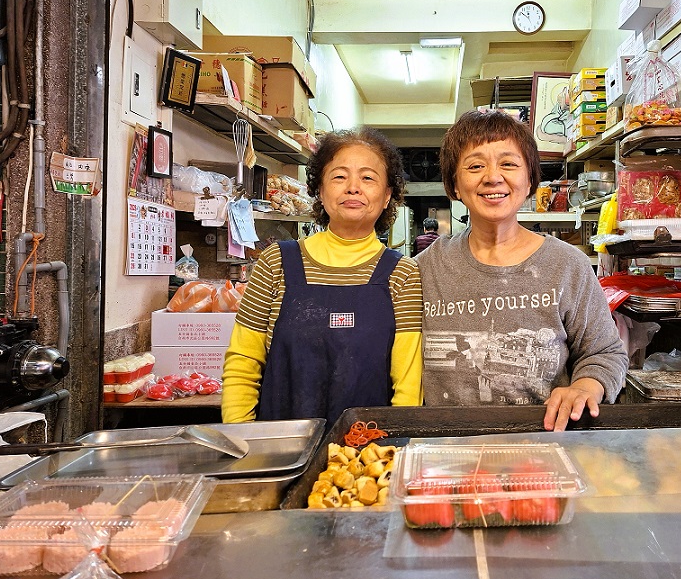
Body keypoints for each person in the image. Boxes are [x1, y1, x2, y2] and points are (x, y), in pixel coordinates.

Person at [416, 110, 627, 432]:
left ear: (530, 181)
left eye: (509, 164)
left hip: (545, 442)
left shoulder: (568, 265)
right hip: (446, 446)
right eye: (475, 166)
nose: (492, 177)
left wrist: (585, 387)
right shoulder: (424, 269)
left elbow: (604, 352)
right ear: (454, 185)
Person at [222, 127, 424, 426]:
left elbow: (408, 384)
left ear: (387, 197)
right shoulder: (276, 262)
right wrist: (244, 440)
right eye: (339, 176)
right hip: (280, 449)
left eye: (368, 178)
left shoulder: (402, 273)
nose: (353, 187)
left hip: (367, 456)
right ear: (319, 190)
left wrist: (391, 451)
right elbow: (243, 360)